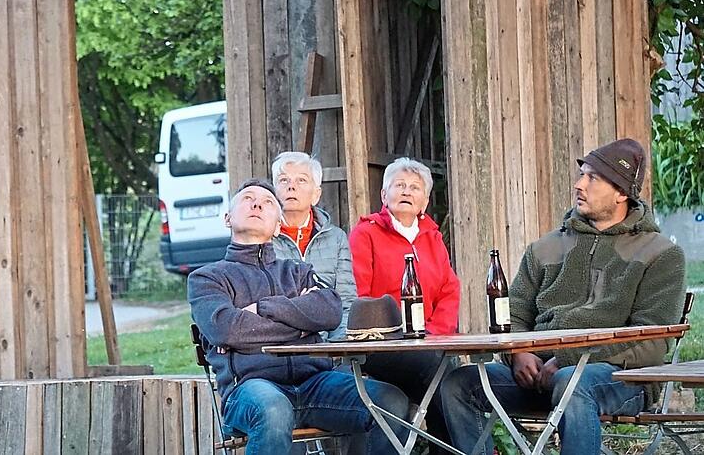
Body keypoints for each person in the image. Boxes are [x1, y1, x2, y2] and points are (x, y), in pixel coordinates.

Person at [440, 138, 687, 455]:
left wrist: (569, 360)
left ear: (622, 193)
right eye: (582, 174)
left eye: (593, 177)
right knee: (459, 384)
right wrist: (518, 353)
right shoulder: (544, 248)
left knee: (572, 382)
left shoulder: (661, 254)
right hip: (536, 373)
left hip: (617, 378)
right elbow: (513, 315)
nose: (579, 184)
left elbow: (651, 342)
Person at [188, 178, 410, 454]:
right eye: (247, 199)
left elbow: (329, 310)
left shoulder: (298, 271)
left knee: (390, 401)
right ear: (227, 218)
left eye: (268, 202)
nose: (257, 203)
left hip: (316, 383)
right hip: (251, 387)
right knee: (273, 408)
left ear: (279, 226)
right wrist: (301, 325)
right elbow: (226, 329)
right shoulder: (207, 277)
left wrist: (262, 309)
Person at [348, 157, 460, 453]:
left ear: (424, 201)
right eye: (399, 185)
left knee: (456, 374)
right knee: (442, 371)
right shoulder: (366, 234)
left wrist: (434, 333)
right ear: (384, 196)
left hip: (427, 343)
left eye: (414, 187)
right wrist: (394, 332)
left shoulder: (433, 238)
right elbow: (360, 294)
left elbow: (450, 288)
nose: (406, 192)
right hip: (380, 345)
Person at [271, 151, 355, 340]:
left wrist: (334, 349)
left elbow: (346, 303)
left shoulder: (336, 238)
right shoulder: (262, 238)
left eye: (301, 180)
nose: (291, 187)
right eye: (283, 180)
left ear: (316, 194)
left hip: (330, 346)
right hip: (280, 346)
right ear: (274, 191)